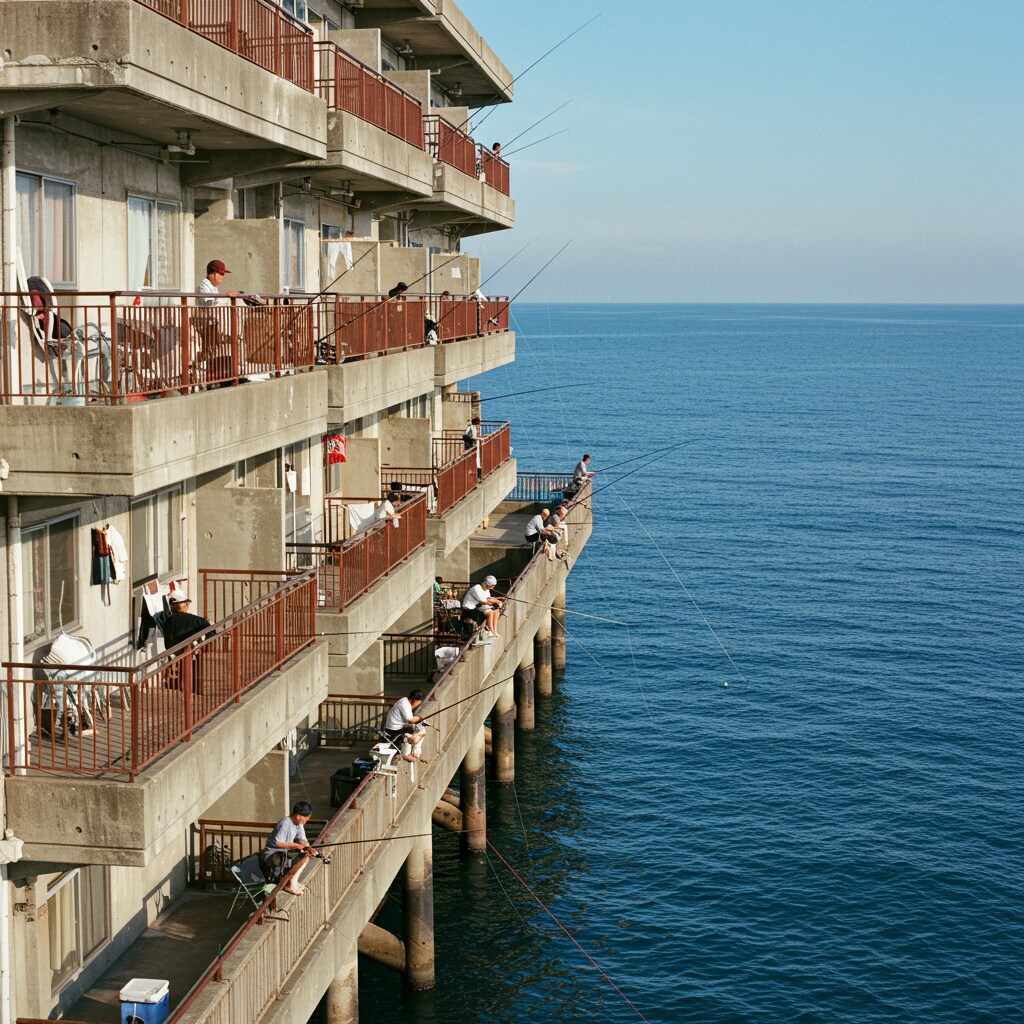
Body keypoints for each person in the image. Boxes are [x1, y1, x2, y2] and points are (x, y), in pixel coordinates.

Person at [259, 801, 321, 895]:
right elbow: (278, 843)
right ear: (298, 815)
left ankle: (293, 882)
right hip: (272, 855)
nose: (306, 821)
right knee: (301, 859)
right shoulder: (285, 823)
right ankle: (290, 885)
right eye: (306, 818)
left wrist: (308, 847)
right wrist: (297, 845)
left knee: (306, 856)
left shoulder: (299, 824)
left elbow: (302, 839)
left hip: (283, 853)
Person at [385, 688, 428, 763]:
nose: (418, 705)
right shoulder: (404, 704)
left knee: (419, 729)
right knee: (411, 732)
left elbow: (411, 720)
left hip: (398, 727)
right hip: (393, 730)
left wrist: (420, 720)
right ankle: (406, 754)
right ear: (415, 700)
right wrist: (420, 718)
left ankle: (416, 753)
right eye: (418, 702)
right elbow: (410, 720)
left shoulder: (405, 702)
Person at [462, 575, 502, 641]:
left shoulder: (486, 590)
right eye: (492, 585)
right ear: (487, 584)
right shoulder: (476, 588)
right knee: (489, 612)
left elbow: (488, 599)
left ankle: (495, 631)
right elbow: (484, 601)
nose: (493, 587)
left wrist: (495, 603)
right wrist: (496, 602)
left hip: (477, 607)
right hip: (469, 610)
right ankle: (490, 631)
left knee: (496, 611)